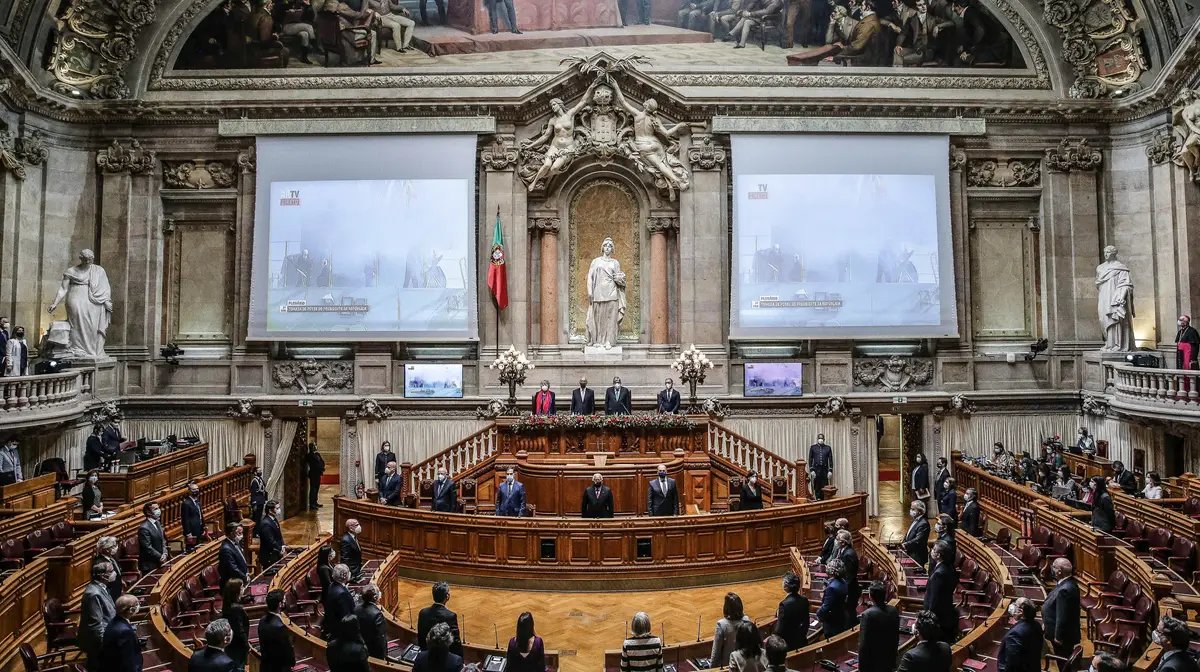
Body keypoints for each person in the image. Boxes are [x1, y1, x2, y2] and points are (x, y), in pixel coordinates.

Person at [81, 561, 117, 671]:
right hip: (98, 643)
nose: (114, 573)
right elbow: (96, 625)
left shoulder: (101, 587)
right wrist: (107, 644)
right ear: (102, 575)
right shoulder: (94, 594)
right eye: (111, 571)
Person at [1041, 558, 1080, 658]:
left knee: (1062, 660)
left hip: (1062, 636)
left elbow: (1062, 616)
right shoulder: (1067, 583)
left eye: (1053, 566)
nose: (1051, 568)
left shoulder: (1065, 590)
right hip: (1056, 630)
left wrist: (1058, 637)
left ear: (1059, 571)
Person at [857, 581, 900, 672]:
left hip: (873, 664)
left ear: (870, 596)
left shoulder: (867, 615)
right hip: (888, 659)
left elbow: (864, 645)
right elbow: (896, 637)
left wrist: (861, 668)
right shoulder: (893, 610)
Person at [923, 540, 959, 642]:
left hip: (939, 616)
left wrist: (928, 616)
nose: (932, 551)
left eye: (934, 550)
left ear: (938, 555)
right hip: (946, 610)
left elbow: (934, 599)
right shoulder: (948, 566)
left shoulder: (939, 574)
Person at [417, 581, 463, 656]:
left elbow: (421, 637)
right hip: (445, 656)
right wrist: (460, 660)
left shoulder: (423, 613)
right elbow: (455, 642)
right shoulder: (451, 616)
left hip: (426, 654)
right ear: (447, 596)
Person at [997, 598, 1042, 672]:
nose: (1012, 606)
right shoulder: (1037, 624)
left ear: (1021, 612)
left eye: (1015, 604)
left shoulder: (1015, 634)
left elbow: (1011, 665)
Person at [100, 594, 141, 672]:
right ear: (131, 610)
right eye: (137, 604)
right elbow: (129, 662)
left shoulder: (113, 621)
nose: (139, 606)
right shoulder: (126, 632)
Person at [712, 592, 755, 667]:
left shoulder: (721, 624)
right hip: (744, 664)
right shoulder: (746, 620)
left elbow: (716, 651)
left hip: (728, 665)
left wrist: (711, 668)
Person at [259, 590, 297, 672]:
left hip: (265, 666)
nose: (285, 601)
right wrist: (292, 662)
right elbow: (287, 650)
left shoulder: (262, 620)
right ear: (280, 605)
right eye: (284, 600)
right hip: (279, 668)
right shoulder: (279, 627)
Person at [774, 571, 809, 650]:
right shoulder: (804, 600)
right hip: (802, 640)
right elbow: (806, 622)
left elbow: (780, 630)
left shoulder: (784, 604)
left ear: (786, 586)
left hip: (789, 645)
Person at [816, 558, 849, 638]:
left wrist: (817, 614)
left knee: (831, 641)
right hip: (841, 616)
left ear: (832, 571)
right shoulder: (843, 581)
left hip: (832, 621)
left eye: (829, 566)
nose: (827, 567)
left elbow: (826, 607)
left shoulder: (832, 588)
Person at [221, 578, 250, 670]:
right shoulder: (236, 609)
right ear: (236, 592)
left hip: (232, 643)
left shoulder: (227, 604)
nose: (243, 589)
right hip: (238, 645)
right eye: (241, 588)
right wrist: (247, 644)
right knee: (238, 667)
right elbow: (239, 630)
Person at [324, 564, 357, 641]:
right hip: (341, 631)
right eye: (348, 572)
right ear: (345, 576)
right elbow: (345, 616)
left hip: (333, 623)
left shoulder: (332, 585)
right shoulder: (342, 594)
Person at [355, 584, 388, 659]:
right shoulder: (377, 615)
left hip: (361, 647)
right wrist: (384, 656)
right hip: (374, 652)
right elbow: (380, 638)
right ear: (376, 597)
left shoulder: (356, 608)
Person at [835, 529, 860, 621]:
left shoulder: (848, 555)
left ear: (843, 542)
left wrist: (843, 590)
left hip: (850, 589)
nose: (836, 542)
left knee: (849, 612)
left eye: (838, 540)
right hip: (848, 587)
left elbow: (850, 576)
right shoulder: (843, 551)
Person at [137, 501, 168, 575]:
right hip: (150, 564)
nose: (159, 510)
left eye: (158, 508)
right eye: (155, 509)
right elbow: (147, 547)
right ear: (148, 512)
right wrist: (160, 556)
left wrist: (165, 553)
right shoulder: (144, 528)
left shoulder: (157, 523)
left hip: (160, 561)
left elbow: (163, 540)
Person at [901, 500, 931, 570]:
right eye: (911, 508)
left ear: (920, 511)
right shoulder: (915, 520)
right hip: (910, 551)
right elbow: (908, 533)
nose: (911, 511)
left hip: (917, 555)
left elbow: (918, 540)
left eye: (913, 509)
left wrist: (906, 544)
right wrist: (903, 542)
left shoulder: (923, 523)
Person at [218, 523, 249, 588]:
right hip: (233, 585)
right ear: (232, 533)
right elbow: (233, 569)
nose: (241, 536)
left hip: (240, 580)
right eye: (239, 533)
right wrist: (244, 577)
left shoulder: (235, 543)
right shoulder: (226, 549)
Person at [258, 500, 286, 568]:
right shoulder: (266, 524)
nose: (279, 510)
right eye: (277, 508)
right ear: (270, 511)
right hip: (269, 556)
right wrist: (279, 548)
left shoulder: (273, 519)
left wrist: (283, 545)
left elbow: (279, 535)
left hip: (276, 554)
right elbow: (270, 540)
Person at [808, 435, 833, 500]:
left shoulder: (828, 448)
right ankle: (817, 498)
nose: (820, 439)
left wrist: (830, 470)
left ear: (824, 439)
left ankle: (824, 498)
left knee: (825, 484)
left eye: (822, 438)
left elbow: (830, 460)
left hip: (825, 469)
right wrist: (811, 470)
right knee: (817, 484)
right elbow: (810, 459)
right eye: (819, 438)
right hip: (816, 469)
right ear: (817, 439)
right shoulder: (813, 447)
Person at [306, 443, 325, 509]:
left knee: (317, 488)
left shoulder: (317, 454)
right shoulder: (309, 455)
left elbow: (322, 462)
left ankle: (315, 502)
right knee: (313, 489)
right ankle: (312, 503)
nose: (315, 447)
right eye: (313, 446)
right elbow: (316, 461)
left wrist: (322, 467)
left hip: (318, 473)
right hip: (313, 474)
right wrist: (318, 459)